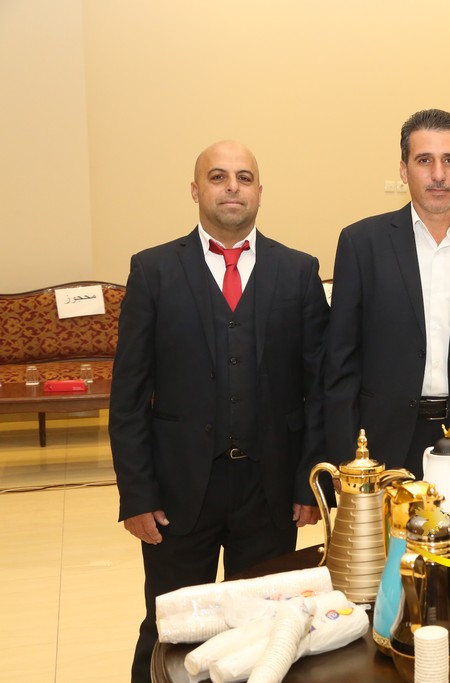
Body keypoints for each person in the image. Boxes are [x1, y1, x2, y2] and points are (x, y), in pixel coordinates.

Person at [109, 140, 329, 681]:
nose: (232, 186)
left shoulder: (298, 271)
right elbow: (129, 393)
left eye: (244, 177)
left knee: (265, 633)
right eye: (218, 176)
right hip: (178, 493)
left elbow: (319, 389)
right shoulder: (154, 270)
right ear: (195, 190)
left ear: (259, 192)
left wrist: (309, 484)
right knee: (169, 627)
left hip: (269, 493)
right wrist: (136, 493)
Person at [324, 109, 450, 513]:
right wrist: (345, 459)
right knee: (386, 554)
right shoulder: (361, 244)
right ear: (404, 170)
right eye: (424, 160)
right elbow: (340, 365)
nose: (438, 174)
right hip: (380, 447)